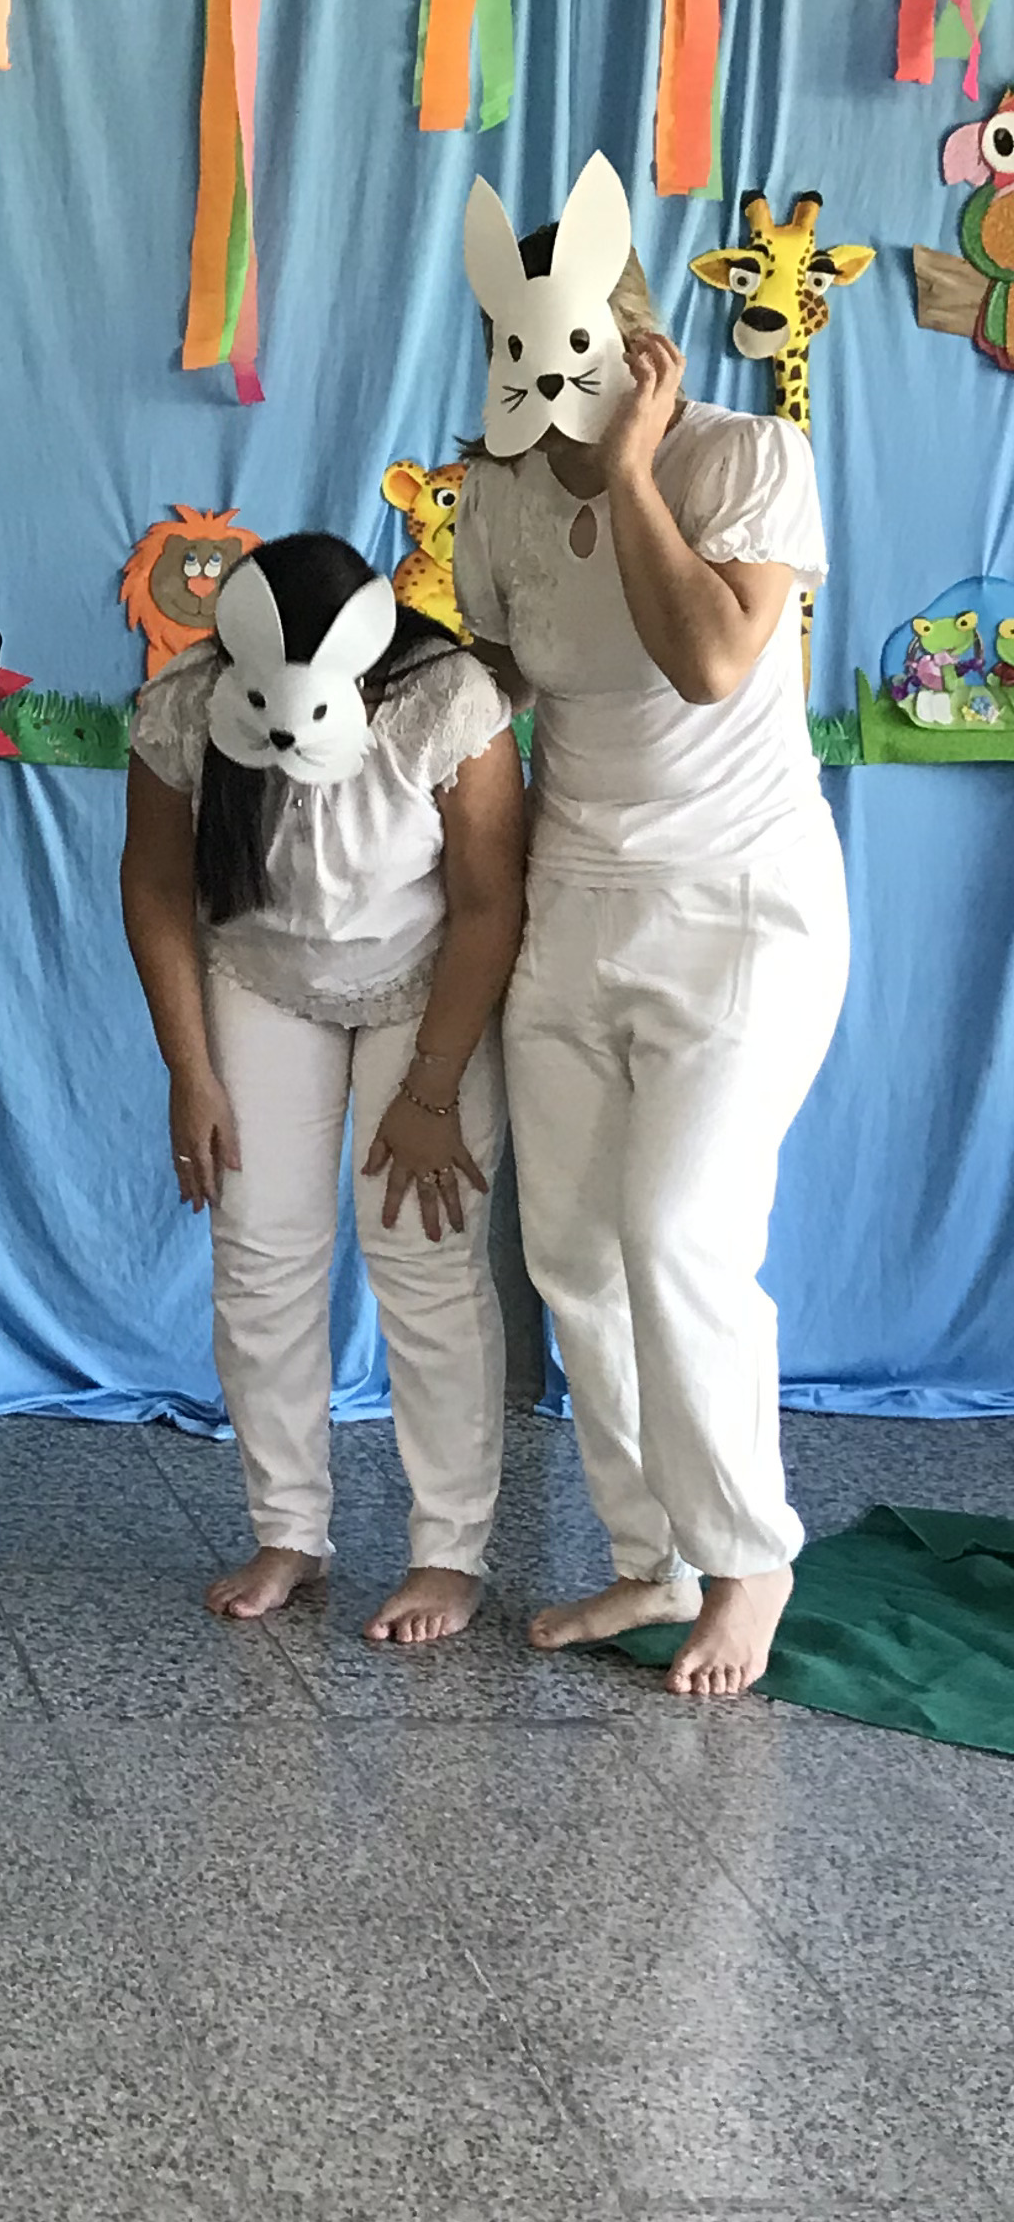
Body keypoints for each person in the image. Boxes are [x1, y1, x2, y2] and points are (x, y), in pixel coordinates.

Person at [450, 153, 847, 1698]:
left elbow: (711, 663)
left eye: (582, 343)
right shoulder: (493, 496)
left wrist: (628, 477)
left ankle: (750, 1559)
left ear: (640, 343)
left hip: (741, 909)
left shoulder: (746, 457)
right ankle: (651, 1558)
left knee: (680, 1234)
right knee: (572, 1254)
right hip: (574, 909)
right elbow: (494, 691)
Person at [120, 529, 527, 1645]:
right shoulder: (186, 703)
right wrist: (190, 1070)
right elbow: (155, 884)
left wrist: (432, 1092)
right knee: (258, 1254)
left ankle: (449, 1552)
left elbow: (490, 902)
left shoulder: (444, 700)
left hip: (425, 986)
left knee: (426, 1256)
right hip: (261, 976)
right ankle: (288, 1531)